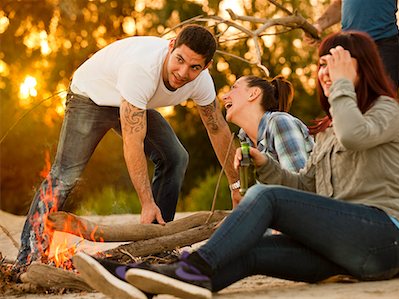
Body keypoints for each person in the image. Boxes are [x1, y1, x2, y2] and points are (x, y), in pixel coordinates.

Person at [73, 31, 399, 299]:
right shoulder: (328, 131)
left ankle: (190, 267)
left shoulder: (384, 111)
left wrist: (342, 85)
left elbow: (353, 135)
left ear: (360, 68)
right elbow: (306, 188)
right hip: (344, 250)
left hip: (384, 239)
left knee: (267, 198)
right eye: (323, 66)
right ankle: (142, 281)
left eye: (336, 65)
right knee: (249, 253)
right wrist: (265, 163)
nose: (326, 73)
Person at [14, 25, 240, 272]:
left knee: (176, 157)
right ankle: (29, 255)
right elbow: (133, 141)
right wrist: (146, 202)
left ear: (206, 66)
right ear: (171, 44)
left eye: (194, 67)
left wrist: (236, 186)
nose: (183, 72)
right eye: (179, 60)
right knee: (65, 174)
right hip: (92, 96)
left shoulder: (202, 83)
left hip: (134, 102)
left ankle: (158, 245)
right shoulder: (142, 68)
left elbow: (218, 129)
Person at [222, 75, 314, 206]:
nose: (224, 96)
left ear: (253, 93)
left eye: (234, 88)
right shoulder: (246, 141)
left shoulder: (280, 123)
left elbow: (300, 196)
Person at [306, 0, 399, 90]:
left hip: (383, 46)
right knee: (348, 103)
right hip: (350, 47)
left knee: (385, 107)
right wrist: (319, 25)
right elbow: (340, 4)